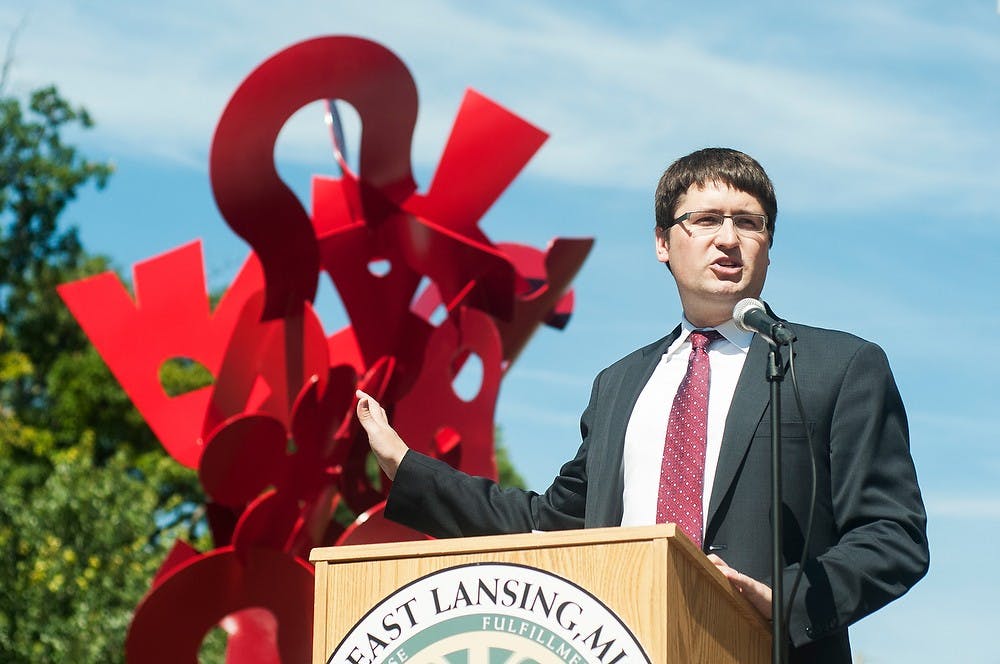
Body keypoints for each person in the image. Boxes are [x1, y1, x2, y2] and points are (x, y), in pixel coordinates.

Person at [355, 147, 929, 663]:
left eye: (749, 224)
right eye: (705, 220)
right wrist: (407, 470)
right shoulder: (620, 386)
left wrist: (786, 600)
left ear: (768, 248)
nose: (728, 238)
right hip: (619, 642)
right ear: (662, 242)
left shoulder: (837, 365)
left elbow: (892, 535)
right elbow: (550, 525)